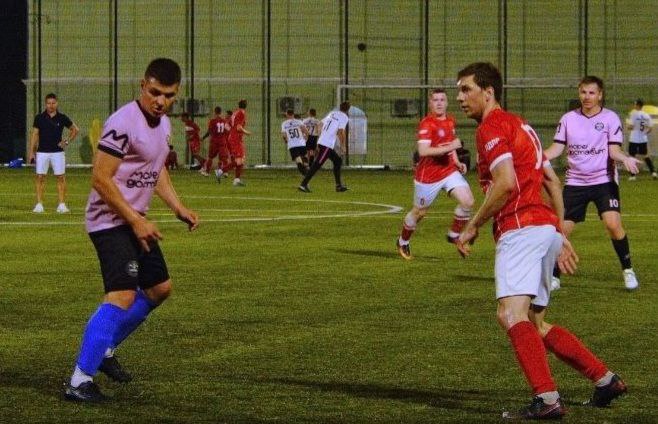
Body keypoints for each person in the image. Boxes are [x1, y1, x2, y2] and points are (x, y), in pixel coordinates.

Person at [455, 62, 627, 420]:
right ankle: (605, 380)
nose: (460, 97)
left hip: (520, 228)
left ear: (488, 92)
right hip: (543, 228)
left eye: (466, 89)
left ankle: (547, 399)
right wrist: (558, 233)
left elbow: (505, 183)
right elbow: (552, 182)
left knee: (510, 314)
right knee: (534, 323)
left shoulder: (491, 126)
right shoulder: (522, 126)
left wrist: (472, 225)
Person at [64, 58, 199, 402]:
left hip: (134, 220)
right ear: (142, 85)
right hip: (109, 219)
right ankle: (79, 380)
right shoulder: (123, 122)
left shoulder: (164, 124)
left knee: (159, 289)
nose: (160, 101)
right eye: (154, 92)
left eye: (168, 95)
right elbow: (100, 178)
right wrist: (136, 221)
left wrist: (178, 207)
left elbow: (157, 169)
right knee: (122, 294)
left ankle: (105, 348)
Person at [544, 76, 641, 291]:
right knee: (560, 231)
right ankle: (554, 276)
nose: (587, 97)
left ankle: (628, 270)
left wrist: (625, 159)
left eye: (591, 93)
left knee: (613, 225)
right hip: (575, 183)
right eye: (583, 92)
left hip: (603, 181)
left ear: (600, 95)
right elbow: (556, 149)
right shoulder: (568, 119)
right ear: (579, 93)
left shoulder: (610, 118)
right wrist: (534, 156)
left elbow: (614, 150)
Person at [396, 88, 474, 260]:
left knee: (468, 201)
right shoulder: (427, 124)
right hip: (428, 177)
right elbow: (423, 151)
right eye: (435, 100)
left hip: (448, 171)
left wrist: (456, 162)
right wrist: (452, 146)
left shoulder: (450, 121)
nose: (439, 103)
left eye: (442, 100)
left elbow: (450, 144)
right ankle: (402, 241)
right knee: (419, 213)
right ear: (430, 103)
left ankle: (453, 235)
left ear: (447, 103)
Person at [28, 93, 79, 213]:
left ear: (57, 103)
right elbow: (35, 135)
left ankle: (61, 205)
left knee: (61, 177)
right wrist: (31, 152)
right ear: (45, 104)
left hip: (58, 152)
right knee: (40, 177)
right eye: (48, 103)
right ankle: (39, 204)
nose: (51, 105)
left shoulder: (62, 117)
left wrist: (66, 141)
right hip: (42, 152)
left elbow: (75, 129)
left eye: (53, 103)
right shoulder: (39, 118)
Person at [298, 102, 350, 193]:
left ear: (340, 107)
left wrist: (321, 135)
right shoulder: (344, 117)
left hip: (324, 143)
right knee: (317, 164)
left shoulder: (332, 113)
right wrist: (343, 146)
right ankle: (303, 184)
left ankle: (338, 186)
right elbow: (341, 132)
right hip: (326, 145)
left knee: (337, 161)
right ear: (348, 110)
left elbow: (320, 124)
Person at [216, 100, 251, 186]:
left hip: (234, 138)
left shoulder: (235, 113)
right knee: (239, 160)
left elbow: (227, 126)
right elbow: (239, 127)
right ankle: (220, 171)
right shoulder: (241, 113)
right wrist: (246, 132)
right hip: (236, 139)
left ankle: (237, 180)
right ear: (246, 106)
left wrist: (231, 133)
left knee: (241, 159)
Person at [626, 98, 655, 180]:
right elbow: (650, 128)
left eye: (635, 104)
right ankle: (653, 172)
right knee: (645, 155)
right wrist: (644, 133)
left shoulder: (634, 114)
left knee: (632, 156)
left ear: (638, 105)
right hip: (643, 139)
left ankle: (633, 176)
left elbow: (631, 126)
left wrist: (628, 127)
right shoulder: (646, 115)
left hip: (634, 139)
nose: (634, 105)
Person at [201, 106, 230, 179]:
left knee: (210, 157)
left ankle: (207, 172)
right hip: (222, 141)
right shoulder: (224, 121)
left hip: (214, 141)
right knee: (223, 157)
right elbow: (228, 130)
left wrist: (203, 137)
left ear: (215, 112)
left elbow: (209, 131)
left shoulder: (212, 121)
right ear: (220, 112)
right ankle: (225, 172)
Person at [281, 109, 310, 175]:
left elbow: (284, 135)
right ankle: (307, 169)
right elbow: (306, 131)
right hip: (301, 143)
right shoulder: (299, 122)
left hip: (292, 145)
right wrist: (306, 138)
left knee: (298, 160)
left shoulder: (284, 123)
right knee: (305, 157)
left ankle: (304, 174)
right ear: (293, 114)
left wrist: (286, 141)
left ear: (287, 115)